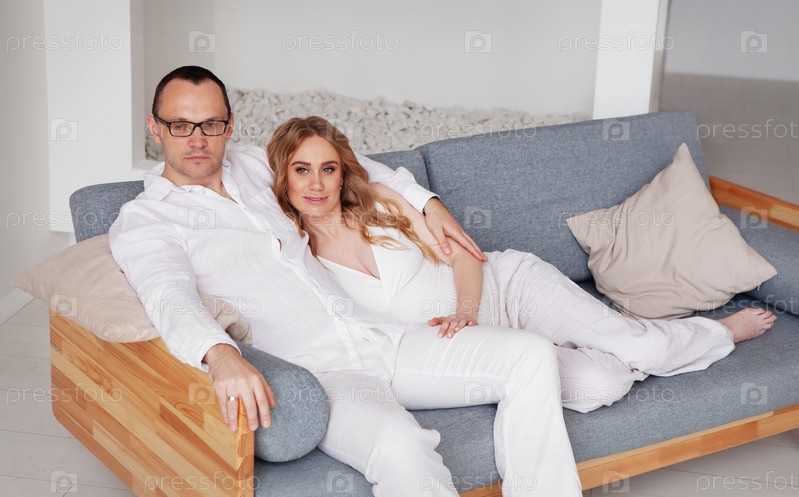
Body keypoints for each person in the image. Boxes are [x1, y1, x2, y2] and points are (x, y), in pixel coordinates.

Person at [110, 66, 582, 496]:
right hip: (325, 376)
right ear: (154, 127)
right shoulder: (146, 220)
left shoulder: (252, 166)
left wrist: (427, 203)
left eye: (211, 124)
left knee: (531, 355)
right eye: (180, 125)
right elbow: (167, 295)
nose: (197, 139)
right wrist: (220, 355)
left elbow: (345, 161)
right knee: (400, 445)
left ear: (229, 126)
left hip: (382, 337)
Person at [266, 116, 778, 413]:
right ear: (284, 179)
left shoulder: (381, 201)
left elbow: (466, 255)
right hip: (486, 353)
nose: (316, 183)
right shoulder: (295, 258)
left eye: (327, 168)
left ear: (342, 173)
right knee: (602, 386)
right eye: (301, 170)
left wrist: (466, 312)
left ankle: (716, 333)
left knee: (639, 345)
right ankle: (621, 344)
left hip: (507, 290)